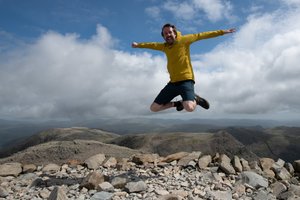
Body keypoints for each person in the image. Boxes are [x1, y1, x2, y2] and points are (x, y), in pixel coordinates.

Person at [132, 23, 235, 113]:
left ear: (175, 33)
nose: (168, 35)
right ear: (163, 36)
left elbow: (202, 35)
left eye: (170, 32)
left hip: (186, 80)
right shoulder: (164, 47)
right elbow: (152, 45)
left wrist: (222, 32)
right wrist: (138, 45)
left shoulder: (184, 40)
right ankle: (177, 104)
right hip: (173, 83)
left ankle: (196, 99)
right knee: (154, 108)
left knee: (189, 108)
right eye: (165, 33)